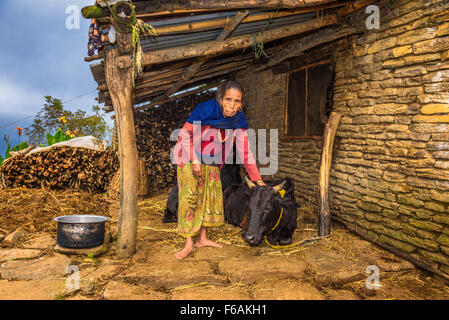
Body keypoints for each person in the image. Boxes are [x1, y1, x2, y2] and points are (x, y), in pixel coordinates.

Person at [172, 80, 265, 260]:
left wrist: (257, 179)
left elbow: (245, 152)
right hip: (189, 157)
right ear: (221, 98)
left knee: (208, 198)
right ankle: (189, 243)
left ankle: (203, 238)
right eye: (228, 99)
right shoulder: (205, 110)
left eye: (237, 101)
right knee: (190, 198)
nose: (232, 105)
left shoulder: (238, 120)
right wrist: (195, 160)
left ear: (241, 103)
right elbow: (184, 134)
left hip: (213, 161)